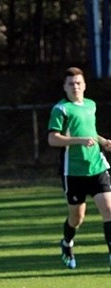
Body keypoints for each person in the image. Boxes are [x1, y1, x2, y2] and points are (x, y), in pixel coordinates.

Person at [47, 66, 111, 271]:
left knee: (109, 209)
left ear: (84, 85)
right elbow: (52, 139)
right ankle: (67, 243)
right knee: (77, 217)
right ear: (64, 87)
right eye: (70, 84)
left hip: (97, 166)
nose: (75, 86)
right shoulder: (61, 109)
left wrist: (102, 141)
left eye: (78, 83)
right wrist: (79, 141)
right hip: (73, 171)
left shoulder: (91, 105)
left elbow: (90, 132)